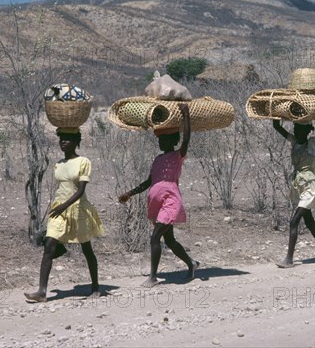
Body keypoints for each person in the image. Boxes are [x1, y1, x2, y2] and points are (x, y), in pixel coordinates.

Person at [119, 104, 199, 287]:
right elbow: (149, 182)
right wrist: (130, 194)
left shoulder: (178, 156)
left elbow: (187, 139)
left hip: (170, 203)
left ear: (173, 140)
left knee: (155, 238)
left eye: (165, 139)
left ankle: (153, 277)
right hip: (157, 204)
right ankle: (192, 264)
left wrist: (185, 114)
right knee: (169, 240)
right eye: (160, 140)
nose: (161, 143)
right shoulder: (158, 160)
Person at [24, 128, 105, 302]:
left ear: (76, 142)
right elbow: (62, 188)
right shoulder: (59, 164)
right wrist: (59, 207)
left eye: (68, 139)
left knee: (86, 249)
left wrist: (64, 206)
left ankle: (96, 287)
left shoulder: (84, 162)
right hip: (59, 209)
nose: (63, 142)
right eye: (62, 139)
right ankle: (42, 292)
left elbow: (81, 190)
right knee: (49, 245)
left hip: (78, 209)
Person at [272, 90, 315, 268]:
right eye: (296, 129)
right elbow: (276, 127)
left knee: (294, 221)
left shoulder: (313, 143)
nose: (297, 132)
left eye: (301, 129)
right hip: (299, 184)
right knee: (309, 221)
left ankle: (289, 259)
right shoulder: (293, 141)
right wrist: (277, 105)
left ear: (307, 131)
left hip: (310, 185)